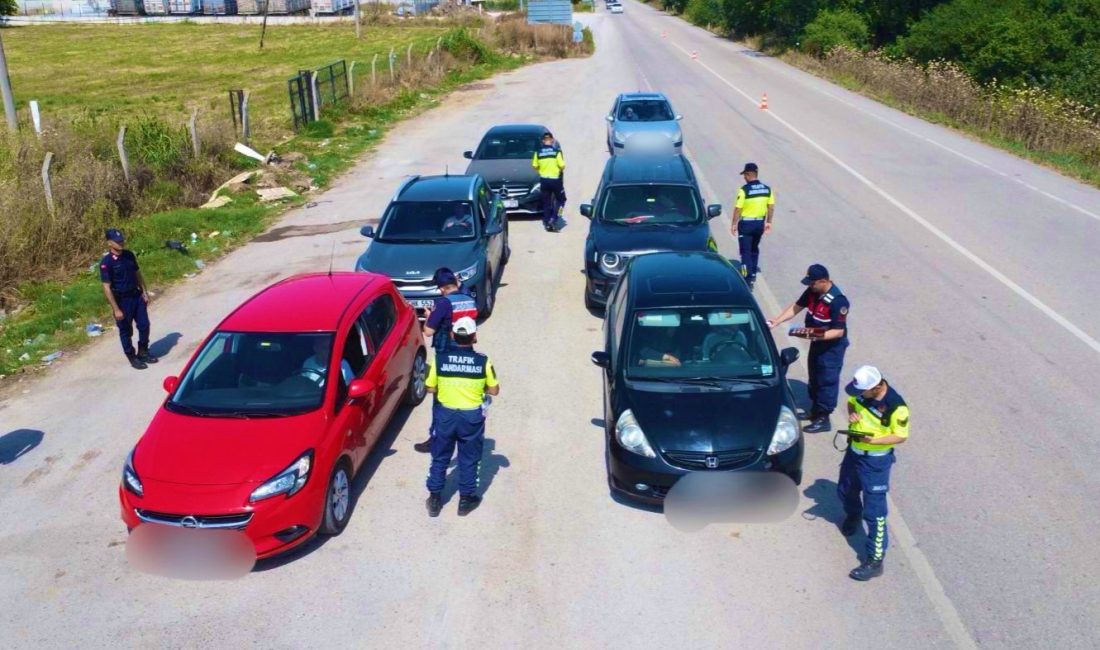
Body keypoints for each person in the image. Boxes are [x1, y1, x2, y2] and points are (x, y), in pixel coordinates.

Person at [838, 365, 910, 582]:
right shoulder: (861, 395)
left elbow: (900, 436)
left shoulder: (897, 407)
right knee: (846, 490)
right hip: (854, 453)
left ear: (877, 387)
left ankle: (875, 560)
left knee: (875, 512)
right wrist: (852, 416)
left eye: (863, 391)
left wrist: (874, 441)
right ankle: (853, 514)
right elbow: (851, 403)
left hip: (875, 462)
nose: (859, 394)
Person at [425, 317, 500, 517]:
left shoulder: (438, 360)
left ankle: (434, 500)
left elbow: (430, 387)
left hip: (445, 415)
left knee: (440, 457)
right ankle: (465, 501)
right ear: (474, 337)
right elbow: (494, 390)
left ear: (452, 335)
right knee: (469, 459)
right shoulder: (483, 361)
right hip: (471, 418)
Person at [767, 264, 849, 433]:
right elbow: (796, 306)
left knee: (827, 379)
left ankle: (823, 417)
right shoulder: (813, 292)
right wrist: (778, 320)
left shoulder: (838, 301)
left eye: (812, 283)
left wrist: (813, 334)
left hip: (831, 348)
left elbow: (838, 331)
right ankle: (815, 411)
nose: (809, 286)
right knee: (815, 375)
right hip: (817, 342)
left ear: (823, 281)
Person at [415, 268, 478, 453]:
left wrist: (428, 317)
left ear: (441, 288)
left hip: (446, 353)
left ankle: (436, 438)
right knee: (464, 392)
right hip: (467, 350)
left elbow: (428, 332)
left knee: (441, 398)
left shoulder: (442, 303)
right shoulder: (468, 298)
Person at [99, 228, 158, 370]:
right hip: (122, 301)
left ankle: (143, 351)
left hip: (136, 296)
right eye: (117, 241)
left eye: (122, 240)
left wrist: (144, 291)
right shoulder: (106, 263)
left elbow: (137, 273)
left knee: (144, 325)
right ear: (109, 243)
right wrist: (116, 309)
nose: (121, 243)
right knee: (126, 331)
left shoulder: (129, 255)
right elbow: (106, 287)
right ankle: (131, 356)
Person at [730, 162, 774, 291]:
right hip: (759, 224)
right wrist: (769, 222)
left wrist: (733, 224)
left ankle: (747, 279)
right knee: (754, 249)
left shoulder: (744, 190)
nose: (744, 177)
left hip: (746, 225)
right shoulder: (767, 189)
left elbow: (738, 208)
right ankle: (753, 273)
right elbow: (771, 207)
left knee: (745, 252)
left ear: (749, 175)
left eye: (744, 175)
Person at [532, 130, 567, 232]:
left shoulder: (537, 153)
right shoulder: (556, 152)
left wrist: (541, 170)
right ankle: (555, 218)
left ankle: (547, 222)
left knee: (546, 202)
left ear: (543, 141)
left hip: (544, 180)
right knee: (561, 200)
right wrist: (558, 170)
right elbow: (562, 165)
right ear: (552, 141)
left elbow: (534, 165)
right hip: (555, 180)